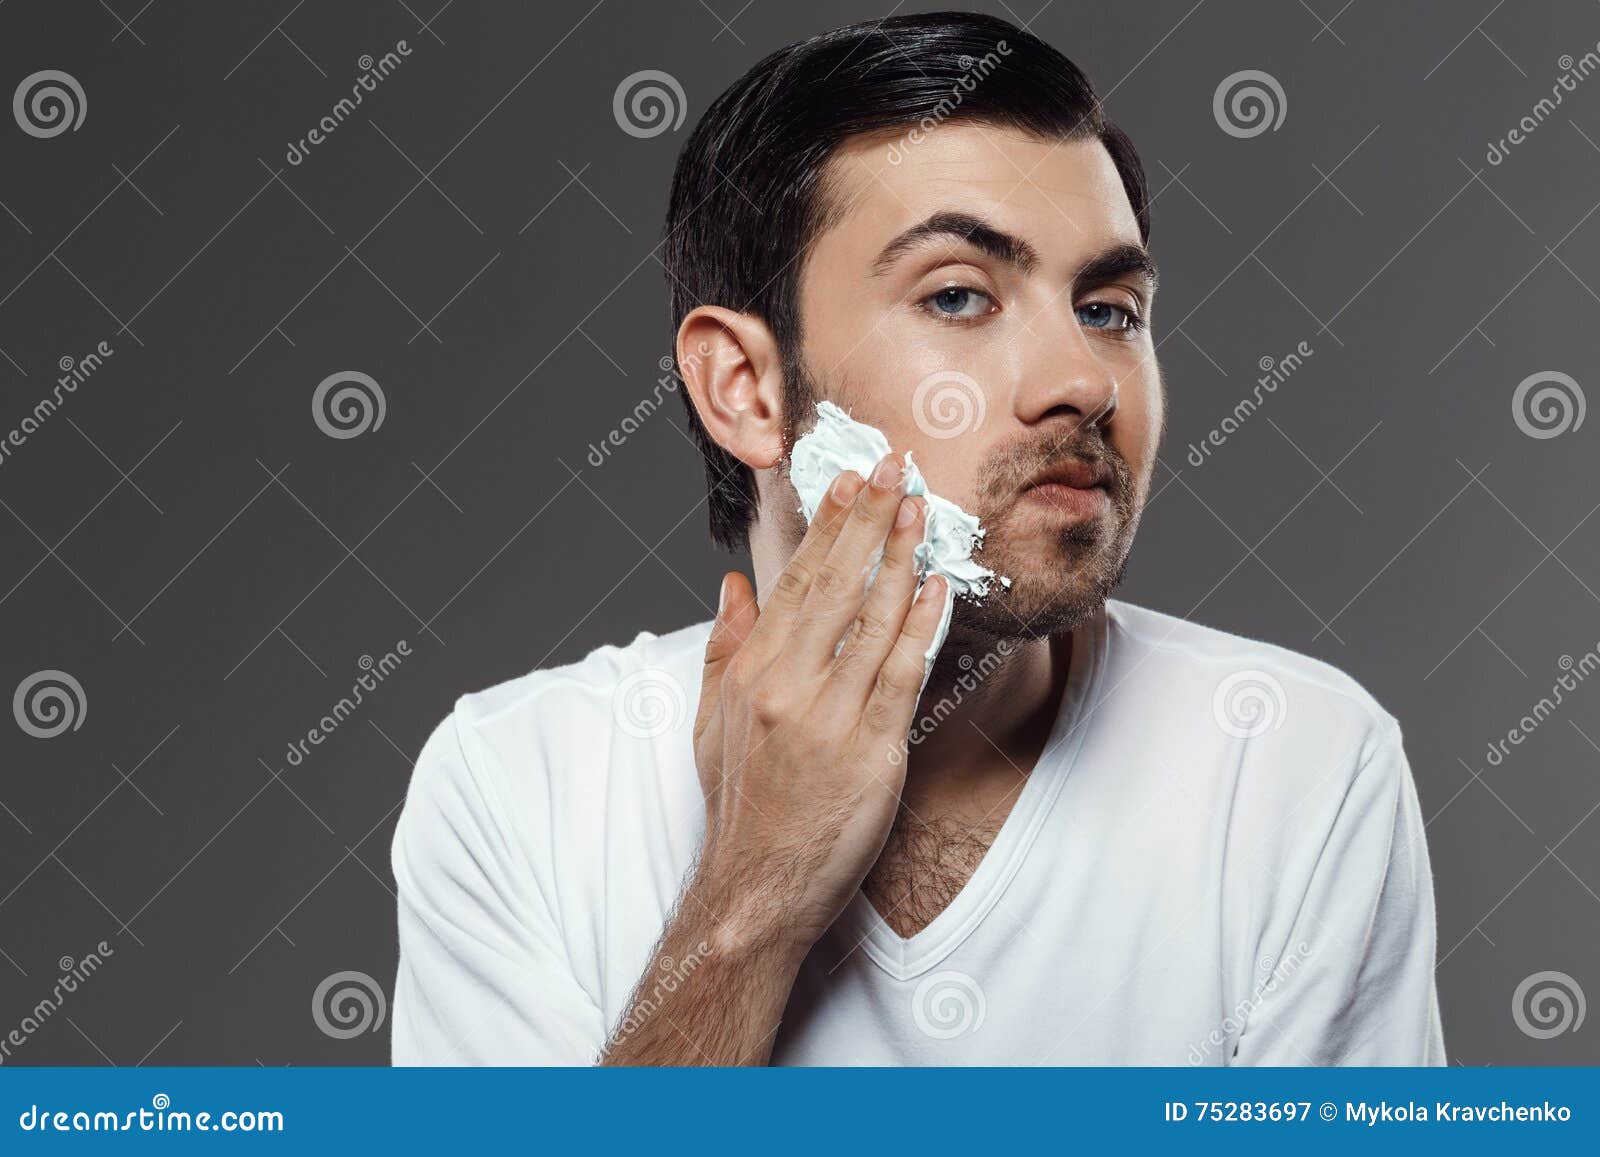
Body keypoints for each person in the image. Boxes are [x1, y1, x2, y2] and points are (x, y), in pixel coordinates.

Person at [390, 11, 1445, 1066]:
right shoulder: (515, 788)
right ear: (745, 386)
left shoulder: (1292, 765)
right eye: (957, 295)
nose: (1081, 380)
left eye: (1109, 307)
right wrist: (747, 901)